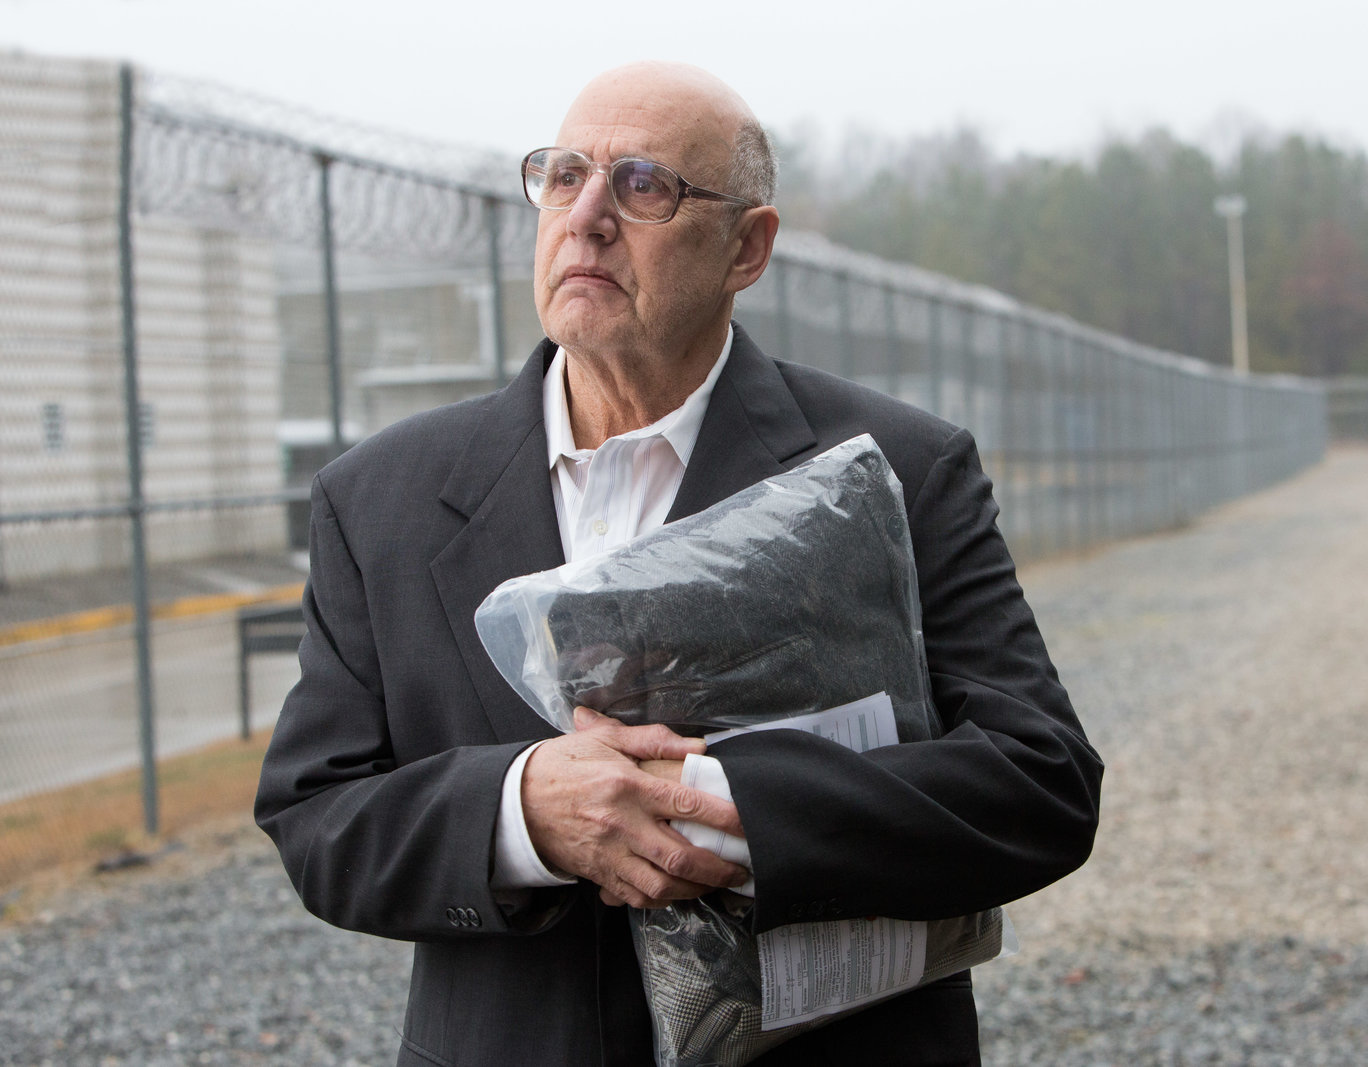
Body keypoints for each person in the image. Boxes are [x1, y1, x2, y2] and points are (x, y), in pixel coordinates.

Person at [256, 61, 1102, 1067]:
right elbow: (316, 812)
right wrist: (520, 811)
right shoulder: (378, 498)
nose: (587, 218)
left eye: (643, 184)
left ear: (747, 247)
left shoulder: (899, 469)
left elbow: (1041, 782)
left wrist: (731, 811)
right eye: (564, 176)